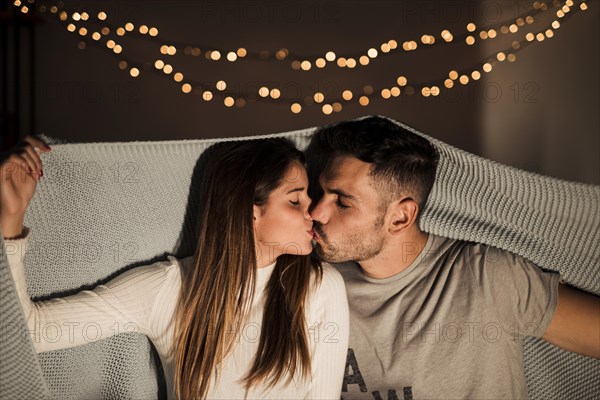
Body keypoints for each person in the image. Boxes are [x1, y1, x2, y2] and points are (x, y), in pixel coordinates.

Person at [0, 136, 349, 399]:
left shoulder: (321, 288)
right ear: (249, 211)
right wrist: (10, 219)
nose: (313, 211)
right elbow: (27, 333)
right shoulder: (167, 288)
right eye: (295, 200)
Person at [305, 116, 600, 399]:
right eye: (321, 192)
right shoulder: (314, 284)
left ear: (400, 217)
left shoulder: (486, 276)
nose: (316, 212)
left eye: (342, 202)